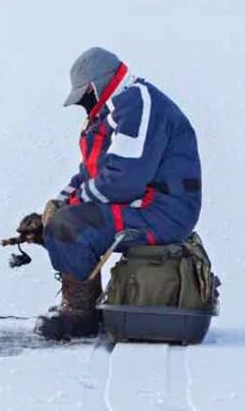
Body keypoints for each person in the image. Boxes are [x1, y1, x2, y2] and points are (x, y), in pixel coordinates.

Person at [18, 47, 203, 340]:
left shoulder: (137, 105)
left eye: (82, 97)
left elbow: (123, 180)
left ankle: (81, 317)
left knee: (71, 226)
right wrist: (57, 206)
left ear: (93, 87)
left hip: (164, 211)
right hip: (145, 206)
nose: (82, 105)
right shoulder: (115, 110)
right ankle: (80, 306)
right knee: (66, 223)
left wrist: (68, 214)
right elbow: (91, 173)